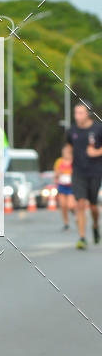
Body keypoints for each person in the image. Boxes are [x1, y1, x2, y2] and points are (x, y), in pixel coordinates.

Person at [65, 100, 102, 249]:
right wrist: (67, 154)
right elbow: (68, 146)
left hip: (94, 171)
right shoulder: (71, 131)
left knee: (93, 206)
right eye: (75, 112)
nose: (77, 116)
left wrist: (97, 152)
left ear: (88, 114)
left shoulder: (98, 129)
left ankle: (94, 225)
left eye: (80, 113)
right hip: (78, 172)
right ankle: (82, 237)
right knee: (80, 203)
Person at [53, 144, 74, 230]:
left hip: (71, 186)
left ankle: (74, 211)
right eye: (64, 152)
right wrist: (59, 173)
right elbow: (55, 174)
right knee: (63, 205)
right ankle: (66, 223)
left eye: (67, 152)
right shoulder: (59, 161)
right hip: (62, 186)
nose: (65, 153)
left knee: (70, 205)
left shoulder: (74, 161)